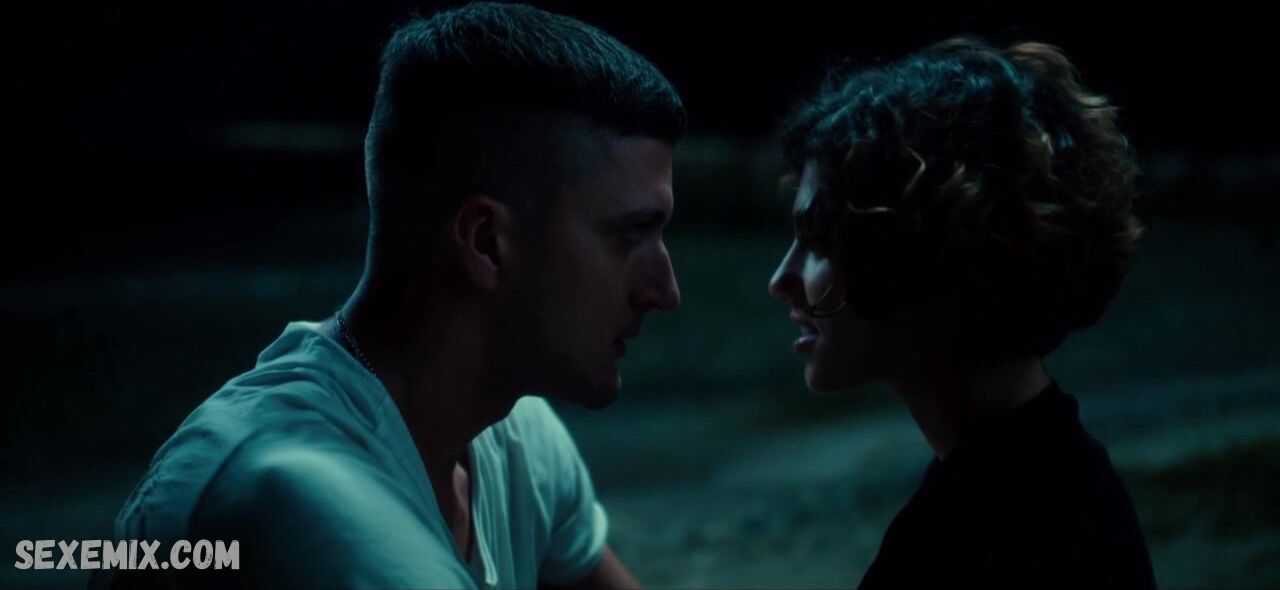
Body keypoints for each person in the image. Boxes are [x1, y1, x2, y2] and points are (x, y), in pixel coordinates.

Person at [96, 3, 684, 588]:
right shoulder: (306, 510)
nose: (666, 291)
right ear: (486, 243)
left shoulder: (515, 439)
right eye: (629, 236)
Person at [768, 37, 1157, 589]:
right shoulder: (1070, 475)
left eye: (818, 240)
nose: (781, 280)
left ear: (913, 254)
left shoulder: (960, 542)